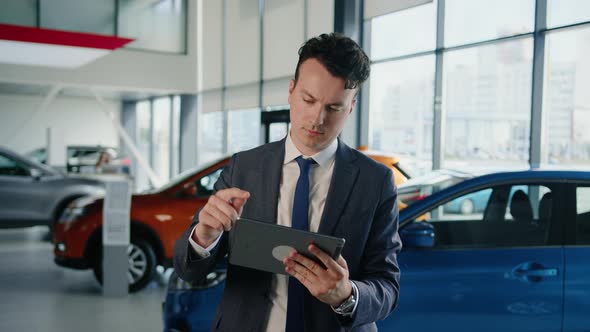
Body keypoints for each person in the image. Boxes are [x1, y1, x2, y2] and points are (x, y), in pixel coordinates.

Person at [174, 32, 401, 332]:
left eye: (333, 108)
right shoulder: (244, 166)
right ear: (291, 92)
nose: (317, 118)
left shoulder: (376, 181)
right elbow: (189, 270)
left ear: (351, 107)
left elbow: (387, 286)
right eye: (308, 100)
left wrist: (346, 296)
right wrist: (204, 237)